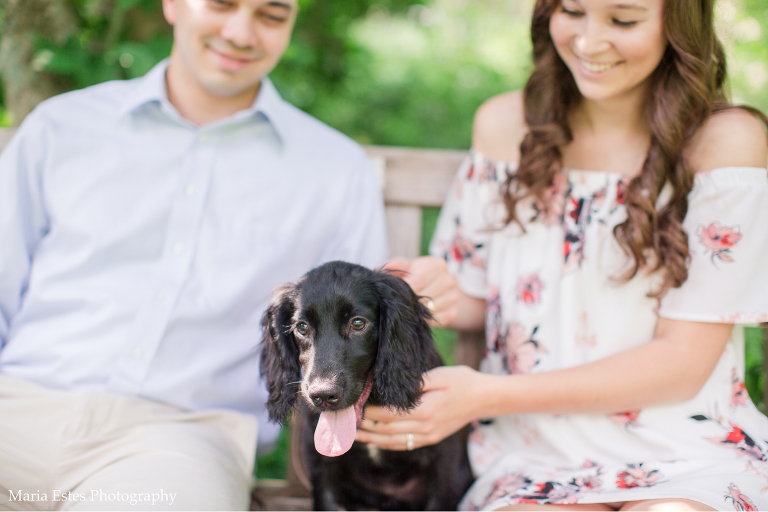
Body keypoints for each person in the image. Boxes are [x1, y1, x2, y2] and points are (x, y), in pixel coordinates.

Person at [356, 0, 768, 510]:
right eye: (572, 10)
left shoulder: (724, 142)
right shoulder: (507, 126)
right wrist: (434, 290)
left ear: (678, 23)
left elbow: (683, 362)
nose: (590, 42)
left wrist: (484, 396)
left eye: (624, 19)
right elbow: (478, 296)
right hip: (533, 457)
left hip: (686, 452)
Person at [0, 0, 387, 509]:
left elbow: (363, 329)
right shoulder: (63, 127)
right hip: (17, 411)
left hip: (178, 442)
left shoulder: (335, 170)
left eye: (271, 15)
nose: (241, 32)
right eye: (222, 4)